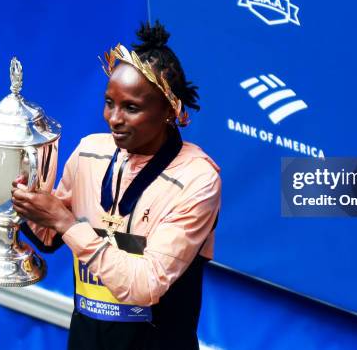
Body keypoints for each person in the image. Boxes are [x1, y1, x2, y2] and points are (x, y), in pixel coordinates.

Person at [11, 21, 221, 350]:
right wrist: (23, 201)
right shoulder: (89, 151)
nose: (114, 119)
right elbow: (50, 236)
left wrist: (66, 222)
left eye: (131, 108)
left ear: (167, 111)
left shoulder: (197, 179)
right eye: (110, 102)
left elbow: (145, 285)